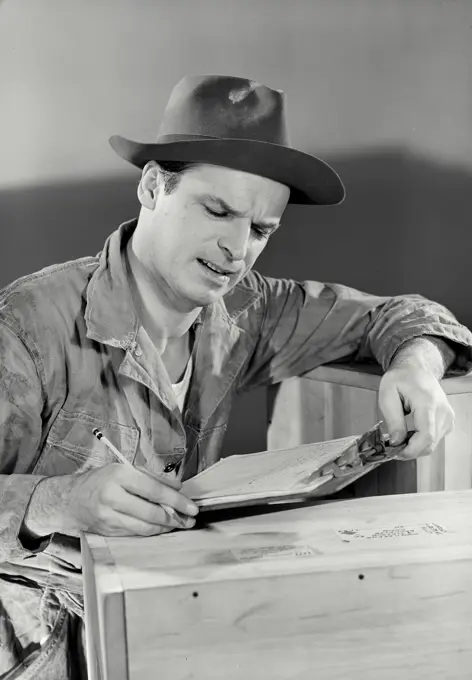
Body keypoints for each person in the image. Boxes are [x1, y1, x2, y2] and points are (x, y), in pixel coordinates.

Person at [1, 74, 471, 679]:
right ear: (152, 187)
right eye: (217, 210)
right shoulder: (27, 325)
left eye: (260, 230)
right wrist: (57, 501)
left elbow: (404, 315)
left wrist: (417, 365)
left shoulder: (249, 310)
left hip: (161, 640)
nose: (235, 249)